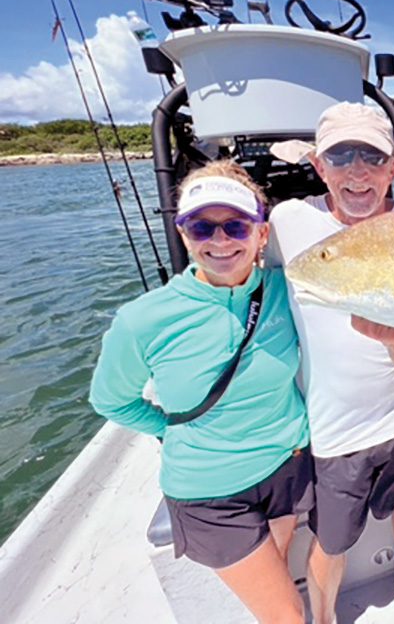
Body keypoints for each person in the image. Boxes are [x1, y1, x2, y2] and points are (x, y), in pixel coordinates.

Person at [89, 160, 312, 624]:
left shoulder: (285, 289)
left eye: (235, 225)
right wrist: (168, 432)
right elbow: (111, 399)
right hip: (211, 493)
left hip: (288, 464)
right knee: (287, 614)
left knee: (281, 566)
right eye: (201, 227)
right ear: (183, 234)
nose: (220, 241)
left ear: (261, 234)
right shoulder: (143, 319)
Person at [267, 102, 394, 624]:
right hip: (335, 431)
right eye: (341, 156)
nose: (357, 170)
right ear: (319, 167)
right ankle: (324, 617)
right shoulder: (288, 223)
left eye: (372, 156)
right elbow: (230, 270)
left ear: (393, 166)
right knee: (331, 538)